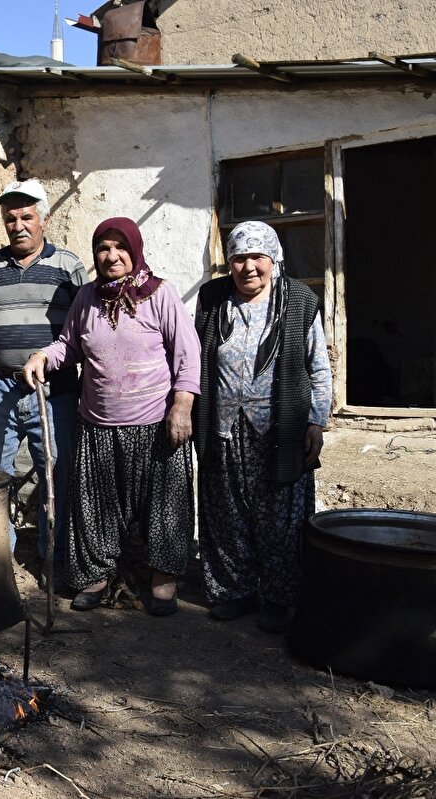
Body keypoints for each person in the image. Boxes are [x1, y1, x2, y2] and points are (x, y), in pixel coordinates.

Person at [23, 217, 200, 616]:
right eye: (103, 248)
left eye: (120, 247)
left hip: (154, 423)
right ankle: (96, 577)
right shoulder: (87, 297)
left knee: (163, 507)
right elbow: (69, 345)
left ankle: (163, 581)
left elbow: (187, 354)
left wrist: (182, 406)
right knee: (95, 507)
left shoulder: (160, 294)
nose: (111, 255)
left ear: (135, 250)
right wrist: (43, 357)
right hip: (98, 424)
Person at [193, 221, 332, 634]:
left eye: (258, 257)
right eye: (239, 258)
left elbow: (319, 368)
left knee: (281, 515)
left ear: (274, 259)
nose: (248, 267)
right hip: (223, 426)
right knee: (225, 509)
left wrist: (316, 421)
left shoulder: (299, 301)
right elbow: (196, 356)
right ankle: (235, 590)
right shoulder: (213, 298)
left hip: (278, 429)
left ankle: (277, 597)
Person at [0, 179, 88, 568]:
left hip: (54, 390)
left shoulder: (68, 267)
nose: (18, 226)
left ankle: (55, 561)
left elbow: (85, 329)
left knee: (57, 477)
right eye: (10, 219)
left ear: (44, 220)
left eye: (26, 217)